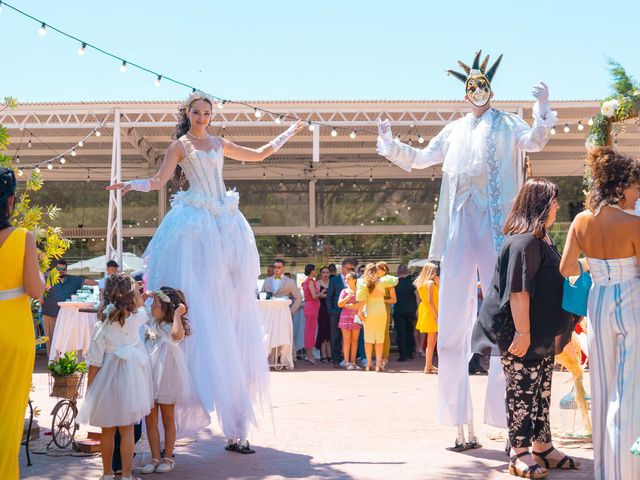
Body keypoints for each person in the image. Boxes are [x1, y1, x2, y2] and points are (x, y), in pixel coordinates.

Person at [377, 50, 556, 448]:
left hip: (496, 228)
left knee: (506, 321)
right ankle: (461, 422)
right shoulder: (454, 130)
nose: (477, 89)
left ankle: (511, 424)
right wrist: (390, 145)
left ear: (491, 88)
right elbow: (423, 158)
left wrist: (541, 110)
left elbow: (536, 140)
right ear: (464, 93)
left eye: (482, 84)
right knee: (453, 321)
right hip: (459, 225)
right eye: (470, 85)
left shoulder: (509, 123)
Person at [107, 93, 303, 453]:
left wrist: (288, 133)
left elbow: (259, 155)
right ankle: (168, 421)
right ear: (187, 113)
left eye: (207, 113)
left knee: (230, 312)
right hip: (197, 227)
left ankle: (237, 427)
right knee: (195, 305)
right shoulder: (179, 146)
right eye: (196, 112)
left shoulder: (218, 143)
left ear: (212, 115)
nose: (201, 117)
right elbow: (158, 180)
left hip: (225, 224)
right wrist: (129, 186)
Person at [473, 178, 577, 477]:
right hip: (521, 332)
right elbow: (519, 291)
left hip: (539, 333)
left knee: (541, 390)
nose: (557, 205)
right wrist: (523, 332)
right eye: (554, 200)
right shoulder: (525, 240)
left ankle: (543, 446)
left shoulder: (541, 238)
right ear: (541, 205)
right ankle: (519, 452)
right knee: (522, 392)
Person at [559, 147, 640, 480]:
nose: (638, 195)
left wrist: (594, 264)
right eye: (636, 187)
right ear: (620, 187)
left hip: (598, 301)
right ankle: (628, 472)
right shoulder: (633, 223)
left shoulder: (580, 220)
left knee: (604, 388)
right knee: (630, 389)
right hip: (631, 300)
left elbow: (566, 268)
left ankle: (606, 472)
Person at [77, 273, 154, 480]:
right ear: (130, 295)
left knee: (107, 430)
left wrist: (90, 390)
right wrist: (141, 295)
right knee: (127, 429)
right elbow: (142, 307)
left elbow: (94, 360)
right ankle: (127, 474)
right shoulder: (138, 317)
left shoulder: (101, 325)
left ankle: (107, 473)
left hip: (107, 379)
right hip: (132, 378)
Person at [0, 167, 46, 479]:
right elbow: (36, 289)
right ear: (11, 200)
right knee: (8, 414)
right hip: (13, 329)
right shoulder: (22, 238)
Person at [141, 287, 198, 474]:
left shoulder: (172, 325)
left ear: (166, 308)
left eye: (155, 304)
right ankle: (155, 457)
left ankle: (168, 457)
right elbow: (135, 312)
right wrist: (144, 297)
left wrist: (177, 314)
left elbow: (175, 336)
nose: (151, 307)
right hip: (149, 372)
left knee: (167, 417)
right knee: (150, 417)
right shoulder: (150, 320)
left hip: (168, 374)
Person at [41, 258, 98, 358]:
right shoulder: (48, 279)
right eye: (58, 269)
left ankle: (64, 363)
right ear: (55, 269)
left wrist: (102, 283)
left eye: (63, 269)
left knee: (66, 339)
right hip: (50, 314)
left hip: (67, 316)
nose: (60, 271)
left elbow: (87, 281)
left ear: (66, 270)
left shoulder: (73, 280)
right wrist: (40, 300)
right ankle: (53, 364)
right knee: (50, 339)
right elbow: (38, 290)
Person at [356, 262, 398, 371]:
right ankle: (378, 365)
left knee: (368, 338)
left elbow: (361, 299)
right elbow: (395, 279)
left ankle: (368, 363)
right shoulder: (383, 281)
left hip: (369, 309)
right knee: (380, 338)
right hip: (380, 309)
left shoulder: (362, 282)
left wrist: (360, 312)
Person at [327, 259, 355, 367]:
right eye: (349, 269)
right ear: (343, 268)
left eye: (352, 268)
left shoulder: (354, 279)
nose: (351, 271)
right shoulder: (335, 280)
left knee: (351, 338)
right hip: (337, 313)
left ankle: (349, 360)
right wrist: (332, 311)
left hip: (351, 313)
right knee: (336, 337)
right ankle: (336, 360)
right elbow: (329, 297)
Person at [414, 262, 439, 374]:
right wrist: (436, 315)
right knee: (431, 341)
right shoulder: (429, 283)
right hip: (430, 312)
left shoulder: (421, 282)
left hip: (425, 310)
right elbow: (430, 301)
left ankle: (429, 365)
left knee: (431, 341)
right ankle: (427, 367)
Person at [337, 272, 362, 370]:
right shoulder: (344, 291)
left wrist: (348, 305)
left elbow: (361, 304)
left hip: (356, 317)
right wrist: (348, 297)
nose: (346, 280)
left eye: (348, 278)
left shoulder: (360, 291)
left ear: (354, 280)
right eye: (346, 279)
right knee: (346, 340)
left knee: (355, 340)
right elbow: (339, 304)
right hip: (345, 317)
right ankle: (347, 363)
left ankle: (353, 362)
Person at [393, 264, 417, 362]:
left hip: (399, 310)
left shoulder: (395, 283)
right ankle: (410, 353)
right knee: (410, 331)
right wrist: (417, 309)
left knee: (400, 333)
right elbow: (417, 297)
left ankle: (403, 355)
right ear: (407, 272)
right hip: (410, 310)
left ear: (398, 272)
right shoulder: (412, 283)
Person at [301, 264, 320, 364]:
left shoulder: (305, 282)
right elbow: (314, 296)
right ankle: (309, 355)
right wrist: (321, 293)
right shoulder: (310, 282)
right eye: (315, 270)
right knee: (311, 331)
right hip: (312, 307)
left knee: (309, 330)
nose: (316, 271)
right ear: (312, 271)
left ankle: (308, 354)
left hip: (309, 307)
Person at [380, 262, 397, 369]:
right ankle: (375, 357)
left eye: (378, 269)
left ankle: (385, 356)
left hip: (384, 309)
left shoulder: (389, 283)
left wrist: (382, 299)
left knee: (384, 333)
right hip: (373, 310)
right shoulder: (373, 281)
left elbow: (394, 300)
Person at [315, 266, 332, 362]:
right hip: (321, 309)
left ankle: (329, 353)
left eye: (327, 272)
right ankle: (323, 354)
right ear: (321, 274)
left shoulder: (331, 282)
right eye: (324, 272)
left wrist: (327, 295)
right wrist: (328, 295)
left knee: (329, 332)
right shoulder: (318, 283)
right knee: (322, 331)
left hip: (330, 309)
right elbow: (317, 295)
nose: (326, 274)